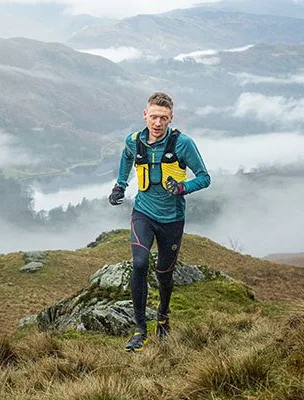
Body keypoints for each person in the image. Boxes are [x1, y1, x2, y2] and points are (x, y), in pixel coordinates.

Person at [108, 92, 211, 352]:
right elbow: (126, 158)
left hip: (172, 219)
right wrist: (120, 185)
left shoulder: (183, 143)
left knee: (164, 275)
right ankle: (140, 329)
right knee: (140, 264)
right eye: (154, 117)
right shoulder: (134, 140)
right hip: (143, 212)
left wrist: (182, 188)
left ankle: (163, 317)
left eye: (163, 118)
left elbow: (204, 177)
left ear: (171, 118)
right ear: (145, 115)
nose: (157, 123)